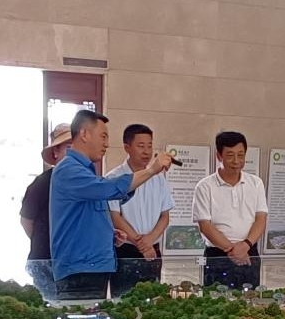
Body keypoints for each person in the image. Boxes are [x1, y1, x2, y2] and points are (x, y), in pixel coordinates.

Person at [49, 109, 174, 300]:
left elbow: (91, 212)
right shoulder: (69, 170)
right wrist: (151, 170)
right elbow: (108, 189)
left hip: (94, 266)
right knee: (83, 318)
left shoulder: (86, 171)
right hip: (80, 269)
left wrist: (109, 232)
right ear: (84, 134)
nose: (107, 143)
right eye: (103, 136)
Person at [193, 130, 267, 289]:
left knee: (250, 300)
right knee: (215, 301)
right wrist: (233, 250)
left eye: (241, 155)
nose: (236, 161)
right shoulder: (205, 186)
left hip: (249, 252)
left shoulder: (256, 183)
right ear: (219, 156)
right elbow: (205, 226)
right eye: (230, 155)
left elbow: (261, 219)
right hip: (218, 254)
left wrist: (245, 245)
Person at [107, 123, 174, 294]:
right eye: (141, 146)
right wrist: (140, 242)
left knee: (153, 300)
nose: (146, 152)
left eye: (150, 146)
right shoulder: (114, 178)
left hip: (153, 248)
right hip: (126, 250)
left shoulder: (159, 179)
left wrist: (149, 240)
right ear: (127, 147)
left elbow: (165, 216)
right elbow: (115, 217)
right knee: (123, 301)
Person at [19, 123, 70, 301]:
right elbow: (26, 220)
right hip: (45, 261)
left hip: (76, 262)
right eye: (68, 148)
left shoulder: (85, 182)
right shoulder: (42, 183)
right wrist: (43, 241)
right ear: (56, 152)